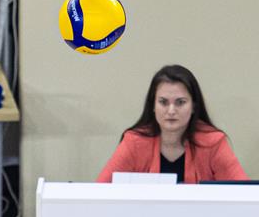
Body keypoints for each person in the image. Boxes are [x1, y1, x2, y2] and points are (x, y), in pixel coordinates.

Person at [97, 64, 247, 183]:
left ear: (194, 106)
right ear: (153, 105)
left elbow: (243, 194)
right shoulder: (134, 143)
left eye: (180, 102)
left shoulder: (213, 143)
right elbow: (100, 192)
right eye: (163, 102)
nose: (171, 111)